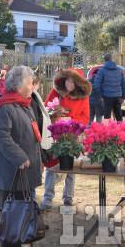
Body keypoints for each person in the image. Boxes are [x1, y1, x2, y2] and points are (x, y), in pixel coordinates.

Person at [0, 65, 42, 247]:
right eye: (30, 83)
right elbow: (0, 136)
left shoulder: (24, 104)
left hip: (23, 173)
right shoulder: (5, 106)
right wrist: (20, 157)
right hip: (9, 174)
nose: (33, 87)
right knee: (9, 218)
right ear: (18, 85)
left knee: (20, 216)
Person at [39, 68, 91, 213]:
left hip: (72, 135)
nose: (69, 84)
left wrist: (67, 120)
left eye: (72, 81)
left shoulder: (83, 98)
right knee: (51, 166)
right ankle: (47, 199)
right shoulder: (56, 92)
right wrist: (55, 116)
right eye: (67, 80)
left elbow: (85, 118)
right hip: (55, 134)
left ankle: (68, 197)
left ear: (78, 83)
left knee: (70, 167)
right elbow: (46, 110)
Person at [29, 72, 52, 203]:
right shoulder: (32, 99)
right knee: (30, 184)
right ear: (35, 85)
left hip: (34, 145)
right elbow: (37, 122)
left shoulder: (33, 98)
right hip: (33, 146)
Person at [93, 53, 125, 121]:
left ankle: (108, 131)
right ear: (112, 59)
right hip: (118, 96)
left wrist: (101, 94)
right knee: (118, 115)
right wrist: (123, 97)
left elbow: (96, 84)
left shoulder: (102, 70)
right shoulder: (119, 70)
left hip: (107, 96)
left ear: (104, 61)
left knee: (107, 117)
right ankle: (121, 130)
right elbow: (124, 84)